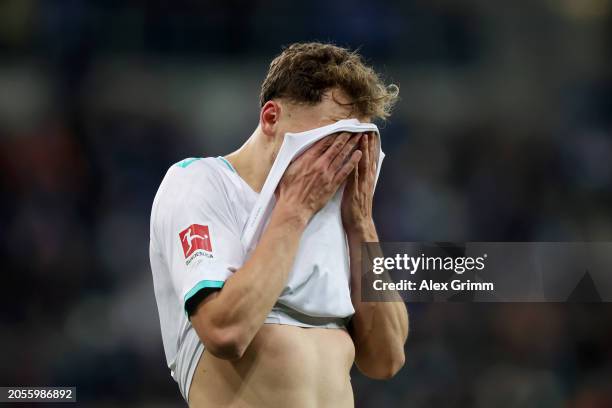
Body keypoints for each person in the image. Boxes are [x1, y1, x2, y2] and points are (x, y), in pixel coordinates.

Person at [149, 42, 409, 407]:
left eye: (353, 143)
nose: (340, 158)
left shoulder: (339, 215)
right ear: (271, 118)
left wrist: (362, 224)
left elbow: (387, 359)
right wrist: (294, 211)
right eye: (329, 138)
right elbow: (225, 331)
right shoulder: (200, 182)